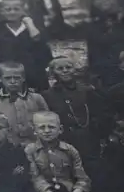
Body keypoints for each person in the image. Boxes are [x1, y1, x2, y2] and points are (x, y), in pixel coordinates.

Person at [42, 56, 112, 189]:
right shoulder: (47, 95)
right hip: (64, 142)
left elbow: (102, 113)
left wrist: (96, 131)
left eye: (68, 67)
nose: (65, 71)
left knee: (94, 176)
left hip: (88, 141)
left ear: (75, 70)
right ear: (53, 72)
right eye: (60, 68)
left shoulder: (88, 91)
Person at [0, 0, 53, 91]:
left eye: (16, 9)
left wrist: (31, 28)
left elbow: (44, 56)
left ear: (23, 11)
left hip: (32, 79)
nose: (12, 12)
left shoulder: (34, 29)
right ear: (2, 11)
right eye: (8, 9)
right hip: (5, 79)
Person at [0, 62, 49, 146]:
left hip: (34, 144)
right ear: (0, 78)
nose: (13, 81)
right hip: (7, 146)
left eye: (17, 78)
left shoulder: (36, 98)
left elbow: (48, 120)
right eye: (8, 78)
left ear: (23, 78)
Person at [25, 111, 91, 192]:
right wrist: (46, 189)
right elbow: (35, 177)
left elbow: (82, 179)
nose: (47, 131)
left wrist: (78, 189)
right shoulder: (31, 150)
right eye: (42, 127)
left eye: (51, 127)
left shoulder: (70, 150)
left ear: (60, 129)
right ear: (34, 130)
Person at [86, 0, 124, 89]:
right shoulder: (94, 25)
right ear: (93, 2)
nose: (104, 1)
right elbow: (92, 52)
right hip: (107, 74)